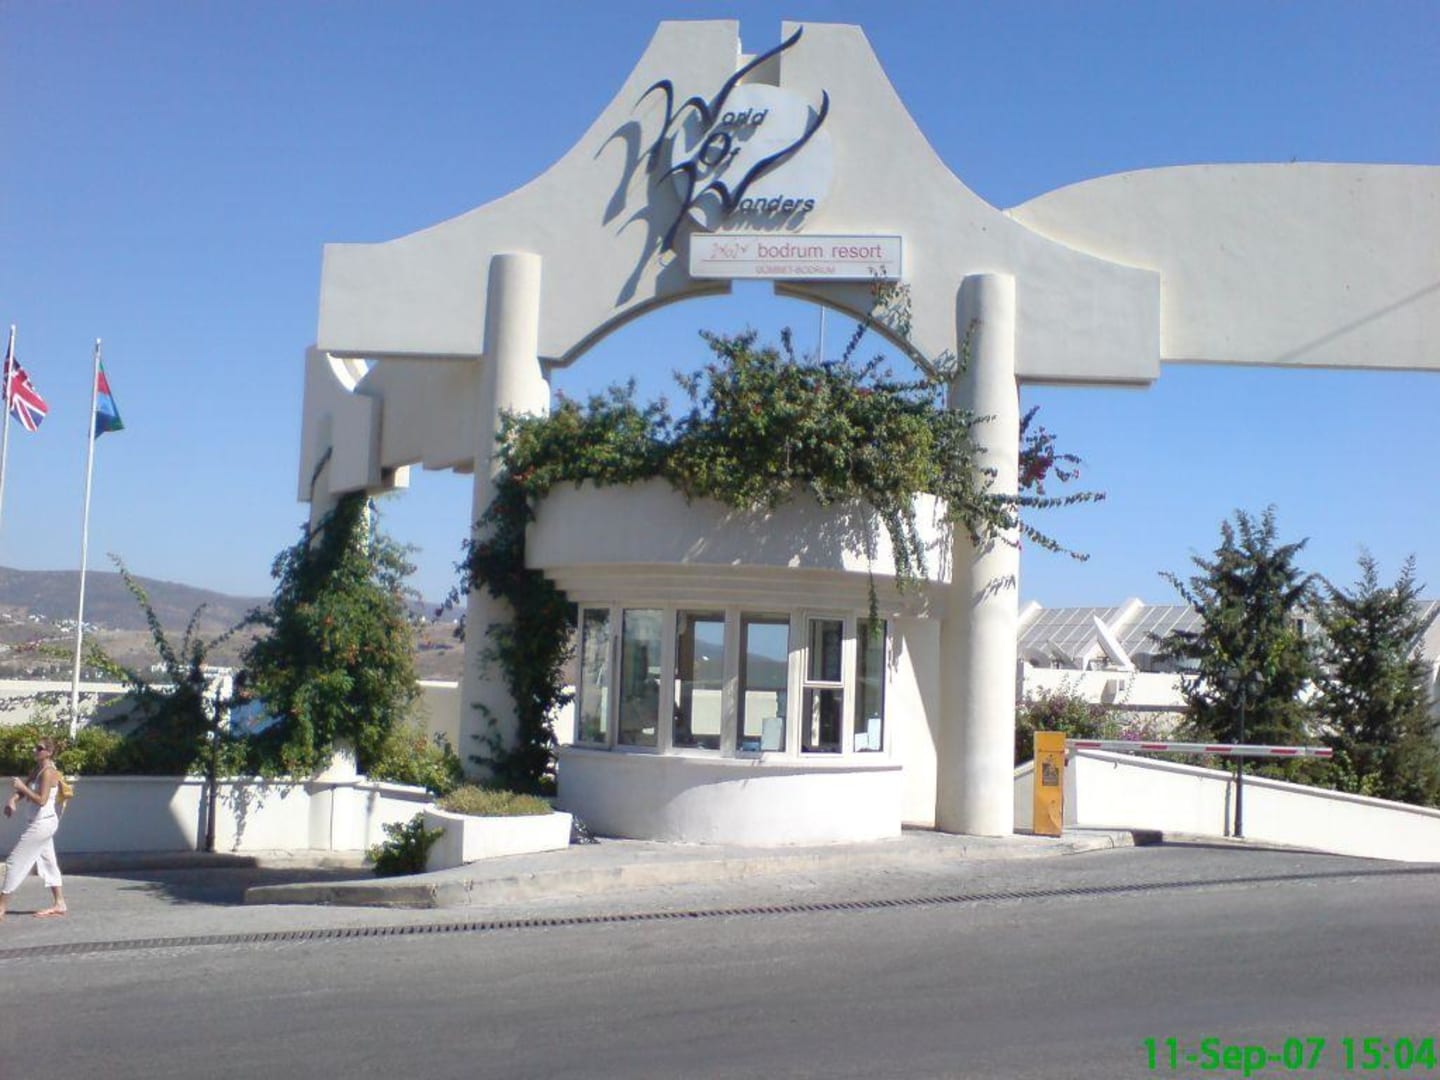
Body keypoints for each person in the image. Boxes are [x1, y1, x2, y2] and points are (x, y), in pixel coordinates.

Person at [0, 737, 67, 920]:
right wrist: (13, 800)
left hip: (43, 823)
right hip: (39, 822)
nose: (35, 751)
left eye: (39, 748)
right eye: (35, 748)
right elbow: (25, 790)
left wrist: (22, 787)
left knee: (15, 861)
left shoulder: (49, 772)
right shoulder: (37, 769)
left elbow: (41, 800)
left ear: (49, 752)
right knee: (48, 861)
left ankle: (1, 906)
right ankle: (59, 903)